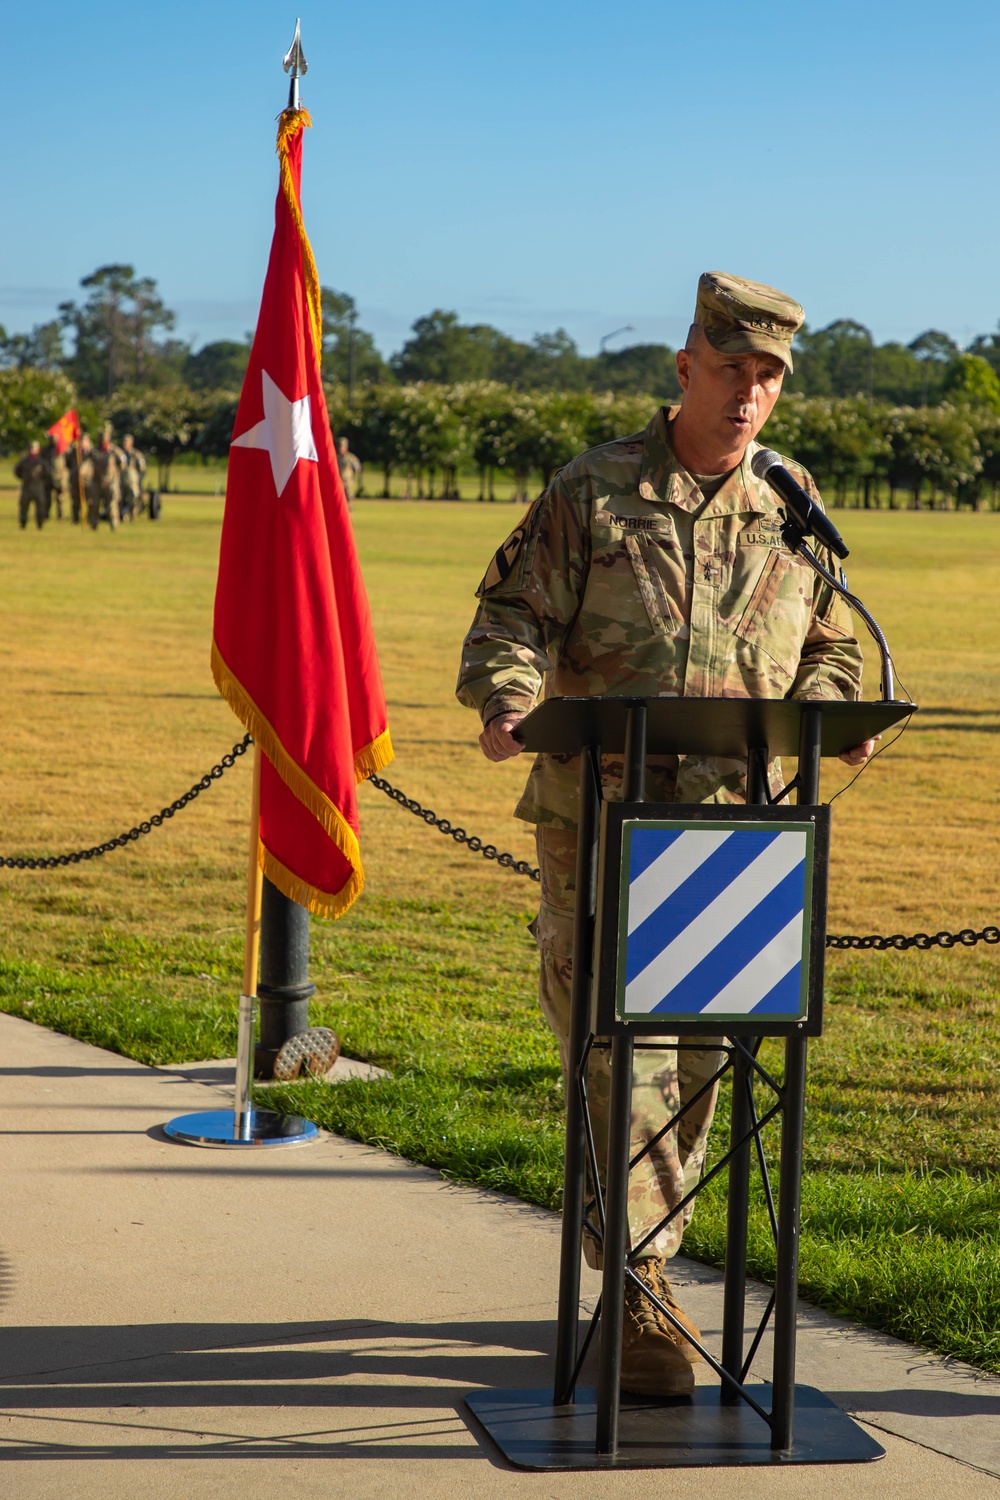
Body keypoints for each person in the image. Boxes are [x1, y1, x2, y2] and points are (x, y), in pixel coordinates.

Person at [456, 271, 874, 1398]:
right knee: (616, 1059)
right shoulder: (593, 491)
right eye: (733, 368)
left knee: (698, 1066)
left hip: (737, 844)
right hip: (598, 828)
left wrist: (834, 712)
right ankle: (641, 1285)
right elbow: (511, 614)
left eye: (771, 376)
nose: (750, 395)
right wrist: (507, 698)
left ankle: (635, 1252)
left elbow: (832, 639)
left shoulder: (791, 498)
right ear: (684, 364)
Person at [89, 425, 121, 530]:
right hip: (97, 482)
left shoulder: (115, 451)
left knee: (112, 504)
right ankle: (93, 524)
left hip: (111, 482)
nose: (103, 440)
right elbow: (87, 464)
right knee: (94, 504)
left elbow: (122, 464)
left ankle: (113, 524)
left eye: (105, 438)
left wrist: (115, 475)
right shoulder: (94, 452)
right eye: (101, 438)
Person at [14, 440, 50, 529]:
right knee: (24, 506)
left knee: (40, 506)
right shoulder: (24, 462)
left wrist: (42, 481)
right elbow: (17, 471)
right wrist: (24, 478)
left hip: (38, 487)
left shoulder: (42, 462)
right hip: (27, 487)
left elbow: (47, 474)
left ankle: (40, 524)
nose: (32, 450)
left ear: (38, 450)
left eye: (34, 448)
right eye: (31, 448)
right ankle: (23, 523)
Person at [119, 433, 147, 521]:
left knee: (133, 498)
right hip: (121, 480)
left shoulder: (137, 455)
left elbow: (142, 469)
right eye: (124, 442)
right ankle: (121, 515)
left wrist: (139, 479)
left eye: (126, 442)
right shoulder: (119, 454)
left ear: (131, 443)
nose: (125, 444)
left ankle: (133, 515)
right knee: (119, 498)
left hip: (132, 481)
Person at [66, 435, 93, 525]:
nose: (82, 443)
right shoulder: (74, 453)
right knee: (75, 501)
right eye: (80, 441)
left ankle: (89, 518)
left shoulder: (92, 453)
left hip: (89, 481)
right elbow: (68, 464)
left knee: (90, 501)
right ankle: (75, 519)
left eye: (84, 441)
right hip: (75, 480)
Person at [43, 435, 69, 521]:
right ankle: (46, 515)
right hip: (48, 478)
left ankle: (60, 515)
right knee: (47, 499)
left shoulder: (63, 450)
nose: (53, 441)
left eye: (55, 440)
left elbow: (69, 463)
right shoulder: (45, 451)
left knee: (60, 499)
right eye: (52, 440)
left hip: (60, 478)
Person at [337, 436, 362, 504]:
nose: (340, 448)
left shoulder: (350, 457)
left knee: (348, 500)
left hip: (348, 482)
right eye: (339, 446)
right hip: (338, 482)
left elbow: (357, 468)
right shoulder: (336, 458)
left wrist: (351, 476)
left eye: (342, 446)